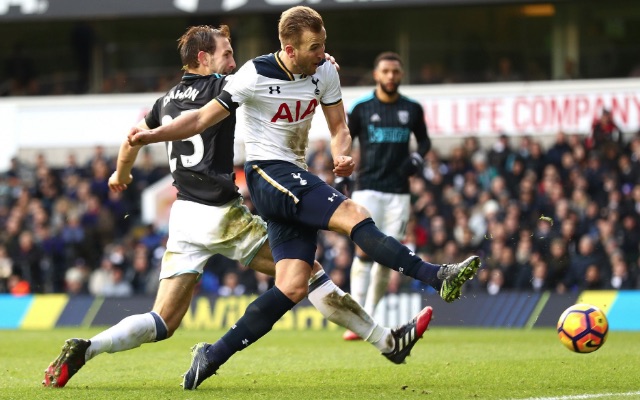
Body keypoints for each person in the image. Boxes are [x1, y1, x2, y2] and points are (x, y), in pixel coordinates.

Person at [43, 24, 433, 389]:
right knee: (306, 276)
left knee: (162, 320)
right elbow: (272, 69)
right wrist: (318, 60)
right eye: (226, 54)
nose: (233, 62)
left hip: (184, 218)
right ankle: (386, 341)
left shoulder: (163, 102)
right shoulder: (226, 84)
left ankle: (89, 347)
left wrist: (120, 175)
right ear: (202, 59)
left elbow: (132, 139)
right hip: (220, 214)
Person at [128, 6, 479, 390]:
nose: (323, 53)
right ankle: (436, 275)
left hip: (295, 173)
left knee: (293, 284)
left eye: (323, 44)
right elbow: (197, 120)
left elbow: (339, 127)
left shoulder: (324, 70)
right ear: (288, 49)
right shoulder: (253, 75)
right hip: (267, 173)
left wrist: (342, 152)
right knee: (353, 213)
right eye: (315, 47)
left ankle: (212, 356)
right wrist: (151, 137)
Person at [342, 52, 431, 341]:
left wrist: (417, 159)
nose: (391, 76)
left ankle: (370, 314)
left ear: (401, 75)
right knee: (364, 250)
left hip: (398, 193)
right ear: (376, 74)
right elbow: (345, 138)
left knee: (388, 256)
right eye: (385, 71)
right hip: (367, 187)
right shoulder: (362, 108)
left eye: (395, 71)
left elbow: (425, 140)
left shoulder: (412, 109)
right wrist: (342, 172)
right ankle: (356, 316)